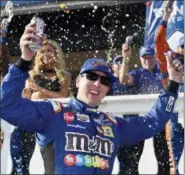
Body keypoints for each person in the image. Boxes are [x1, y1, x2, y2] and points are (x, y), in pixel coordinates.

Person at [0, 22, 183, 174]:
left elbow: (152, 123)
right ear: (78, 81)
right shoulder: (53, 114)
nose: (97, 84)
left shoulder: (111, 124)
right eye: (92, 77)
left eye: (104, 81)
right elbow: (6, 106)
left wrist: (173, 83)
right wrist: (24, 60)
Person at [10, 39, 72, 175]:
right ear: (37, 55)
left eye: (49, 50)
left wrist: (39, 90)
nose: (46, 54)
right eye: (42, 51)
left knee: (52, 165)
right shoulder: (31, 74)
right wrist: (26, 92)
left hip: (54, 122)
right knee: (24, 162)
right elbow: (27, 96)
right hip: (32, 121)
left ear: (56, 53)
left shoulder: (65, 75)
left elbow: (62, 96)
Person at [117, 44, 171, 174]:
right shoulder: (137, 73)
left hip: (160, 123)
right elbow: (123, 80)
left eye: (150, 57)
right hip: (140, 122)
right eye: (144, 58)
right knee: (133, 161)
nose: (147, 60)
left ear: (155, 57)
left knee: (163, 160)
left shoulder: (163, 71)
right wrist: (126, 59)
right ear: (140, 59)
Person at [155, 4, 184, 174]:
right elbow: (159, 42)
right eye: (182, 46)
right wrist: (165, 18)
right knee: (175, 159)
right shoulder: (168, 58)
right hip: (172, 113)